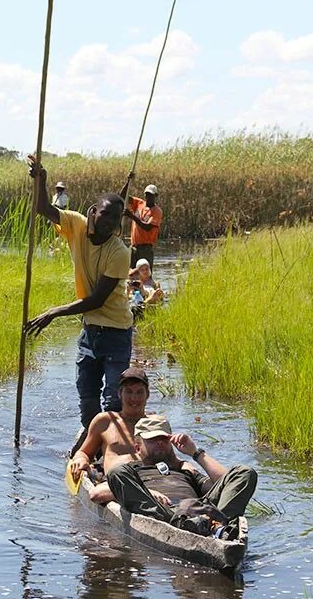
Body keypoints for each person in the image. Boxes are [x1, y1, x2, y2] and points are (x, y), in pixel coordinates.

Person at [25, 155, 132, 428]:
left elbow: (97, 299)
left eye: (115, 218)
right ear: (93, 211)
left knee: (113, 400)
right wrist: (42, 181)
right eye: (105, 214)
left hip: (116, 331)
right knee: (87, 399)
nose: (108, 222)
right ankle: (91, 445)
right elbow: (42, 208)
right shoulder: (77, 224)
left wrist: (54, 312)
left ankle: (112, 451)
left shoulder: (119, 252)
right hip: (90, 333)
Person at [106, 416, 257, 538]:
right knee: (116, 472)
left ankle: (217, 524)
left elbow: (226, 484)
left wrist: (196, 453)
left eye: (164, 439)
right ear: (138, 447)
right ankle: (191, 526)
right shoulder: (132, 469)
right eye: (152, 440)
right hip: (164, 514)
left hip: (198, 509)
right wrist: (147, 492)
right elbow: (97, 492)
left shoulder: (185, 470)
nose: (159, 442)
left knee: (244, 472)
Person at [70, 366, 196, 504]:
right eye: (129, 392)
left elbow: (169, 457)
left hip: (154, 480)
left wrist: (184, 464)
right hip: (119, 485)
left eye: (139, 392)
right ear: (119, 394)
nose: (134, 398)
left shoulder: (156, 423)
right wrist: (81, 459)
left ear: (147, 395)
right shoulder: (105, 421)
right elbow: (84, 452)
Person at [120, 176, 163, 271]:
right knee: (131, 275)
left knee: (145, 276)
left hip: (145, 249)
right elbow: (123, 195)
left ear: (156, 196)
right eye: (147, 194)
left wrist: (131, 216)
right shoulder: (139, 204)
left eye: (151, 195)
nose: (149, 197)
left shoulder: (157, 211)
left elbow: (147, 227)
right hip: (134, 247)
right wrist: (128, 181)